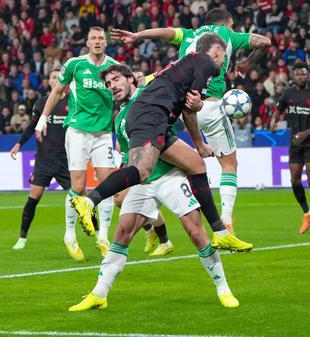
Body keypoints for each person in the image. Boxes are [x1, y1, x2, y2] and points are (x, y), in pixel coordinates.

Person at [68, 64, 239, 312]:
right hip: (142, 182)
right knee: (122, 234)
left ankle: (224, 289)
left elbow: (177, 108)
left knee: (196, 232)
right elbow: (129, 156)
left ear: (131, 79)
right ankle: (99, 293)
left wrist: (196, 120)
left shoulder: (151, 95)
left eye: (116, 79)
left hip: (169, 176)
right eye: (108, 84)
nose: (112, 86)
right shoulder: (119, 119)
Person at [72, 33, 253, 253]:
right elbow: (190, 108)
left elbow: (187, 105)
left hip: (153, 115)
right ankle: (90, 200)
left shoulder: (187, 64)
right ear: (216, 50)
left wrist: (199, 142)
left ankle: (221, 233)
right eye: (224, 56)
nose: (224, 62)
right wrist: (199, 136)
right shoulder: (205, 62)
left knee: (196, 164)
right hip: (152, 114)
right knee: (143, 170)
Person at [111, 8, 271, 231]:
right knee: (229, 164)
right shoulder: (227, 34)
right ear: (227, 24)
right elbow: (265, 42)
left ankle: (131, 203)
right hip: (208, 106)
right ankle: (226, 220)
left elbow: (165, 32)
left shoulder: (188, 34)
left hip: (179, 109)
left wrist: (138, 35)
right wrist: (246, 64)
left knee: (160, 165)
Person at [35, 26, 118, 260]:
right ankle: (69, 236)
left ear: (106, 42)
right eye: (93, 38)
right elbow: (56, 91)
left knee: (108, 185)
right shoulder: (75, 64)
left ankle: (103, 238)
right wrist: (42, 120)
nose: (97, 41)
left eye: (101, 38)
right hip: (78, 132)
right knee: (78, 187)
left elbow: (123, 95)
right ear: (87, 43)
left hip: (103, 133)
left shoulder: (114, 67)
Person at [11, 69, 70, 250]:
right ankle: (22, 238)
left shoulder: (73, 102)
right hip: (44, 159)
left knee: (80, 198)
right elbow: (32, 126)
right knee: (34, 196)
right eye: (53, 77)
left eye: (59, 77)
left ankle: (99, 233)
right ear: (49, 82)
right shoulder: (42, 103)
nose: (56, 79)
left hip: (66, 159)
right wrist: (19, 144)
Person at [270, 63, 310, 234]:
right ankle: (307, 213)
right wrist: (274, 121)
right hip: (295, 142)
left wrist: (306, 133)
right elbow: (279, 109)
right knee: (295, 181)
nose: (300, 77)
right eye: (297, 74)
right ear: (293, 76)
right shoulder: (288, 93)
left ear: (308, 76)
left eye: (303, 74)